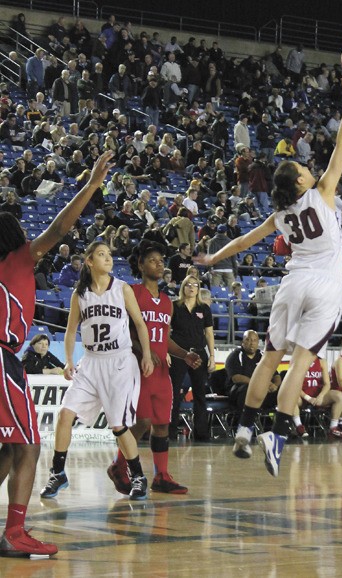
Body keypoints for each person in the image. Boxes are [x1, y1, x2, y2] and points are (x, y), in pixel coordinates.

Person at [197, 72, 342, 476]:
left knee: (269, 361)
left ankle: (244, 429)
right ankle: (279, 433)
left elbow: (241, 244)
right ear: (301, 181)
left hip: (291, 284)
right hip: (324, 286)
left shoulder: (280, 215)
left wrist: (210, 258)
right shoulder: (322, 192)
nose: (309, 168)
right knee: (302, 361)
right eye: (303, 168)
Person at [0, 151, 114, 558]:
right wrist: (91, 186)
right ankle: (15, 531)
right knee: (29, 445)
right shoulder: (18, 260)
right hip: (3, 360)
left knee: (9, 447)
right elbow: (60, 226)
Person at [40, 240, 154, 503]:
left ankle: (137, 475)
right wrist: (69, 360)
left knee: (118, 426)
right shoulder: (80, 294)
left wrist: (146, 355)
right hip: (90, 362)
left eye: (109, 255)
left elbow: (140, 323)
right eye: (101, 255)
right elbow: (70, 332)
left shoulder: (122, 289)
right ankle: (58, 472)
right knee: (65, 414)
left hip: (119, 363)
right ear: (89, 261)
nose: (108, 258)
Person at [106, 241, 202, 496]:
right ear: (140, 264)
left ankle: (161, 476)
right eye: (152, 260)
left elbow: (165, 338)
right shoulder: (132, 292)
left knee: (161, 425)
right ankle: (119, 465)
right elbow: (123, 330)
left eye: (161, 260)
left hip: (161, 373)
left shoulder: (168, 303)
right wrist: (143, 350)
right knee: (142, 422)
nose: (159, 264)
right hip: (137, 368)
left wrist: (184, 354)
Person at [168, 275, 216, 441]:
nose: (192, 287)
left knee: (200, 393)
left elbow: (209, 333)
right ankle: (170, 432)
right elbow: (166, 330)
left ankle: (201, 433)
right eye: (188, 284)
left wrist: (212, 356)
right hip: (178, 354)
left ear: (198, 289)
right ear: (183, 287)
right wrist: (167, 352)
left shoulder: (204, 308)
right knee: (173, 393)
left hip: (198, 354)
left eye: (195, 285)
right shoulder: (174, 306)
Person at [297, 356, 342, 439]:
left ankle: (333, 428)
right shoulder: (299, 360)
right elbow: (295, 386)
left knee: (339, 396)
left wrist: (320, 396)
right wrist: (308, 398)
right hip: (302, 396)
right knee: (291, 397)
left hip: (317, 396)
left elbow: (327, 384)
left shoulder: (322, 361)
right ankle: (299, 426)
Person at [225, 330, 281, 412]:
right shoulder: (235, 355)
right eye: (248, 340)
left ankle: (280, 421)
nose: (252, 343)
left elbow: (276, 375)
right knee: (246, 389)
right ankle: (245, 421)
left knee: (283, 388)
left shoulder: (262, 356)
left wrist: (275, 386)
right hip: (239, 391)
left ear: (258, 343)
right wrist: (258, 385)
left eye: (255, 340)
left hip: (261, 390)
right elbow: (236, 378)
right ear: (243, 342)